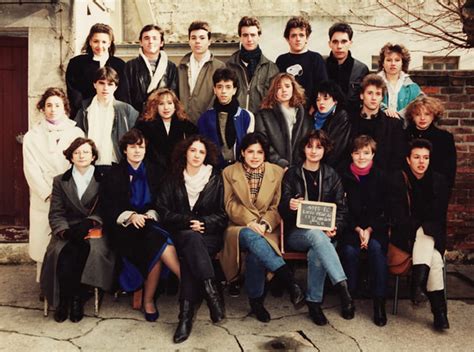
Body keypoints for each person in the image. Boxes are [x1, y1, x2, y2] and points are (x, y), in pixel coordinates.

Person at [221, 132, 305, 323]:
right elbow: (229, 204)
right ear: (242, 152)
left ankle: (256, 303)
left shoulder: (276, 172)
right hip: (238, 226)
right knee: (251, 237)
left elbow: (277, 205)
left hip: (268, 227)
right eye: (250, 151)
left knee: (256, 253)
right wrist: (249, 222)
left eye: (259, 152)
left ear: (265, 154)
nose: (255, 156)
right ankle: (289, 280)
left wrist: (265, 223)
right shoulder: (229, 172)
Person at [101, 129, 180, 322]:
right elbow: (107, 207)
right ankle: (187, 282)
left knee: (157, 241)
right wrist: (130, 216)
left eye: (141, 147)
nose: (137, 151)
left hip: (150, 224)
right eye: (132, 147)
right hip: (124, 229)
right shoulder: (113, 173)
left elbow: (163, 203)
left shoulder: (156, 171)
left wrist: (150, 215)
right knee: (160, 243)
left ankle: (149, 300)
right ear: (125, 150)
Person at [155, 135, 227, 343]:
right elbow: (162, 211)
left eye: (201, 152)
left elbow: (223, 214)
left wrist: (204, 222)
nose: (196, 155)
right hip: (181, 234)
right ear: (185, 152)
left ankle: (185, 318)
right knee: (190, 240)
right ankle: (210, 292)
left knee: (190, 253)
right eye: (193, 150)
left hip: (209, 235)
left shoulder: (215, 177)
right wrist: (188, 221)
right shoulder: (172, 177)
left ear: (207, 156)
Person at [278, 129, 354, 326]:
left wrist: (335, 227)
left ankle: (314, 303)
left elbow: (342, 209)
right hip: (297, 234)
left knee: (316, 252)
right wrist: (289, 205)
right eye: (309, 146)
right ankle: (343, 287)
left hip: (325, 236)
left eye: (318, 147)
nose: (313, 151)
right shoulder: (292, 174)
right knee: (314, 234)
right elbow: (281, 207)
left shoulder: (332, 175)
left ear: (325, 150)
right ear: (303, 149)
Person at [41, 138, 115, 323]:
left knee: (93, 251)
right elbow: (56, 212)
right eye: (77, 153)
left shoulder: (104, 179)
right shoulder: (60, 180)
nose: (81, 156)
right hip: (67, 228)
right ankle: (66, 299)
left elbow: (105, 209)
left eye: (86, 152)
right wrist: (64, 231)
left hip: (93, 227)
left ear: (93, 156)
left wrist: (90, 223)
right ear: (71, 157)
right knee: (60, 251)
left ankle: (76, 298)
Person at [23, 88, 84, 284]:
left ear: (65, 107)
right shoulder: (32, 136)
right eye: (48, 105)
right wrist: (47, 193)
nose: (52, 109)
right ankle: (45, 282)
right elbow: (30, 167)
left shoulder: (76, 132)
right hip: (44, 193)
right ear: (42, 108)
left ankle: (69, 281)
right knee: (43, 239)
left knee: (68, 235)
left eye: (57, 105)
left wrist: (66, 192)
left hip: (69, 192)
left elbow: (81, 163)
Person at [389, 139, 450, 331]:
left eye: (425, 158)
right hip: (404, 236)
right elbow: (398, 217)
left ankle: (419, 284)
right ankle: (439, 313)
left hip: (431, 235)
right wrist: (420, 224)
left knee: (428, 237)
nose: (421, 162)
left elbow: (438, 216)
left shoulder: (439, 181)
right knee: (435, 258)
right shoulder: (398, 180)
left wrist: (422, 223)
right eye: (416, 157)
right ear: (408, 160)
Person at [340, 135, 389, 327]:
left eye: (366, 153)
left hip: (375, 228)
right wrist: (358, 228)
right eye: (357, 152)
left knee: (376, 250)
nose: (361, 157)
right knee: (350, 251)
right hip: (351, 227)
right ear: (351, 154)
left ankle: (379, 302)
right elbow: (340, 208)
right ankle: (349, 298)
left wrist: (369, 229)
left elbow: (386, 209)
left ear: (373, 155)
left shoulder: (382, 177)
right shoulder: (342, 176)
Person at [75, 67, 139, 169]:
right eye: (101, 83)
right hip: (89, 166)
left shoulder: (126, 110)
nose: (105, 88)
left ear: (116, 87)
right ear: (94, 84)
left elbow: (136, 141)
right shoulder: (84, 110)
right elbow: (77, 139)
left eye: (110, 84)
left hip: (117, 165)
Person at [66, 23, 129, 118]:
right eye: (96, 41)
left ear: (109, 43)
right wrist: (85, 109)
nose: (99, 46)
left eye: (104, 42)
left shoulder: (119, 65)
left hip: (112, 114)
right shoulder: (76, 63)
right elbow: (73, 92)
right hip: (84, 113)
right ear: (90, 42)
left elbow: (123, 93)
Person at [198, 68, 254, 168]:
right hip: (214, 169)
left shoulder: (246, 116)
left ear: (234, 90)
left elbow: (250, 147)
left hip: (240, 169)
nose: (223, 91)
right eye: (220, 87)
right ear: (214, 89)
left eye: (228, 87)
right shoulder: (205, 118)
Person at [350, 74, 406, 173]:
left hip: (383, 180)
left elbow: (397, 159)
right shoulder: (349, 120)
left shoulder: (393, 124)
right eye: (370, 93)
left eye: (378, 94)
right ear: (362, 95)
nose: (373, 98)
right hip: (353, 177)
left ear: (382, 97)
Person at [255, 73, 311, 168]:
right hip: (274, 167)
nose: (284, 90)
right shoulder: (264, 114)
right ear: (273, 91)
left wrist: (300, 164)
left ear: (293, 88)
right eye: (279, 87)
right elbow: (262, 142)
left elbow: (308, 140)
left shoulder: (303, 113)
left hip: (300, 168)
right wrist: (280, 163)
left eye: (287, 86)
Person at [227, 16, 280, 114]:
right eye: (245, 35)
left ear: (259, 36)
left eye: (253, 35)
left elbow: (274, 101)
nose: (249, 39)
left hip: (260, 124)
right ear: (240, 37)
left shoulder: (271, 68)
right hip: (236, 121)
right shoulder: (229, 66)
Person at [405, 96, 457, 193]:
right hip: (407, 190)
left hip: (433, 191)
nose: (422, 118)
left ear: (434, 115)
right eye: (417, 114)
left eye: (427, 114)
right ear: (412, 116)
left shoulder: (445, 138)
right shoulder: (403, 136)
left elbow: (450, 171)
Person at [178, 21, 225, 124]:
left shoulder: (219, 67)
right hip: (184, 124)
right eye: (193, 38)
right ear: (189, 41)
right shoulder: (181, 66)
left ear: (209, 41)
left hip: (209, 123)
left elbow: (219, 97)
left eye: (202, 38)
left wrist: (207, 119)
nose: (197, 41)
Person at [276, 16, 328, 109]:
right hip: (286, 110)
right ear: (287, 39)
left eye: (301, 35)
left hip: (310, 111)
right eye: (293, 35)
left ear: (307, 38)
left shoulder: (316, 59)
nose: (298, 39)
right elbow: (277, 88)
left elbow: (323, 87)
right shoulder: (281, 60)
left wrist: (314, 107)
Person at [125, 24, 178, 113]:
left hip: (163, 117)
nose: (150, 41)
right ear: (140, 42)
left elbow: (173, 96)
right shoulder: (130, 66)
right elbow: (126, 97)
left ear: (161, 42)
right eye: (146, 38)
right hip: (137, 118)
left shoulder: (171, 67)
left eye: (154, 38)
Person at [136, 88, 197, 165]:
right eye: (161, 104)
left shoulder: (186, 125)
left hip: (179, 170)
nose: (166, 107)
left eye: (169, 103)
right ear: (155, 106)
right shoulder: (144, 126)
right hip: (152, 171)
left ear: (175, 106)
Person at [326, 22, 369, 116]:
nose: (339, 46)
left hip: (352, 121)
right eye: (335, 42)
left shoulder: (361, 69)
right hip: (325, 122)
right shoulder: (322, 66)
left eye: (344, 41)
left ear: (350, 43)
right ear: (329, 44)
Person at [377, 43, 422, 124]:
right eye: (389, 60)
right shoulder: (374, 83)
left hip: (404, 129)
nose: (393, 63)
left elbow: (422, 105)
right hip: (379, 127)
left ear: (402, 63)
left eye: (397, 60)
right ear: (383, 63)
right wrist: (383, 109)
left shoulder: (412, 87)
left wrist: (400, 115)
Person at [312, 80, 351, 169]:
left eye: (325, 98)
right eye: (318, 99)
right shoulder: (312, 118)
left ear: (335, 100)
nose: (321, 102)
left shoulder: (341, 117)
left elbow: (336, 150)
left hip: (331, 169)